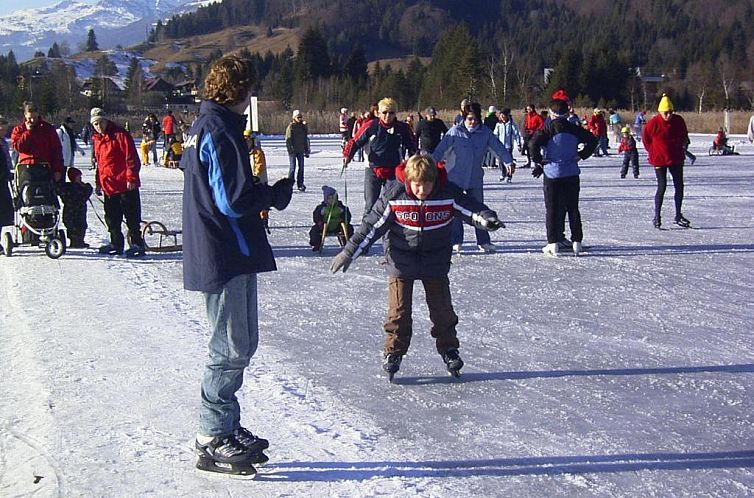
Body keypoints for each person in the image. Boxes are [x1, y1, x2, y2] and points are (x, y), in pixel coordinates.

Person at [180, 54, 294, 477]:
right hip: (222, 250)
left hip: (230, 249)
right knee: (228, 347)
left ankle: (225, 424)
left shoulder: (209, 126)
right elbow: (231, 200)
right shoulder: (217, 128)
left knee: (241, 344)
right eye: (249, 90)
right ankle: (211, 435)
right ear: (239, 90)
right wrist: (270, 195)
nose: (250, 99)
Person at [329, 155, 503, 380]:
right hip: (401, 260)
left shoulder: (446, 193)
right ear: (408, 180)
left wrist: (486, 219)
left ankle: (449, 349)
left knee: (442, 310)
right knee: (399, 311)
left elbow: (471, 209)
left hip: (435, 259)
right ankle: (393, 352)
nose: (422, 190)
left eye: (427, 184)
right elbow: (371, 226)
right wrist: (349, 252)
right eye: (417, 184)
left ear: (435, 181)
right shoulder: (394, 195)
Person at [431, 102, 514, 253]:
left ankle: (483, 241)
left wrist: (508, 161)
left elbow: (498, 147)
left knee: (479, 209)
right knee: (455, 210)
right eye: (469, 119)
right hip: (455, 178)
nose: (473, 122)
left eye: (475, 118)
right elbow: (440, 150)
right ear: (464, 118)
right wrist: (430, 164)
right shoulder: (455, 132)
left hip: (474, 178)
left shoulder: (485, 132)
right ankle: (456, 240)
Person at [529, 98, 598, 257]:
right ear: (567, 113)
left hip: (552, 173)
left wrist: (539, 161)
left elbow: (533, 144)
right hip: (571, 173)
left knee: (552, 208)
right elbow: (592, 140)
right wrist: (581, 155)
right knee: (572, 208)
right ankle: (577, 242)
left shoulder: (547, 129)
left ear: (551, 114)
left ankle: (553, 242)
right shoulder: (573, 128)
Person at [343, 97, 417, 225]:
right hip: (373, 170)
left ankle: (392, 236)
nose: (388, 116)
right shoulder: (371, 126)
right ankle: (364, 234)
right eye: (384, 112)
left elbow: (412, 146)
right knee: (370, 204)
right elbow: (355, 141)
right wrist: (347, 156)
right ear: (378, 113)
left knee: (393, 203)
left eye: (391, 113)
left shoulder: (402, 128)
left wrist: (415, 161)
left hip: (394, 171)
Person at [90, 107, 146, 257]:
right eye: (95, 124)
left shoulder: (120, 135)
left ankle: (136, 243)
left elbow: (131, 158)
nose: (99, 126)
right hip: (109, 185)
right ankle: (116, 243)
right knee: (112, 218)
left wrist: (131, 178)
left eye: (101, 122)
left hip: (125, 184)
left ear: (106, 120)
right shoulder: (97, 140)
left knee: (131, 216)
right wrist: (98, 183)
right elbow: (100, 164)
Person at [641, 94, 691, 229]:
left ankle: (678, 214)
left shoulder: (679, 121)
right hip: (659, 159)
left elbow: (684, 136)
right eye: (665, 113)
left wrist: (683, 145)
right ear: (660, 112)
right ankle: (657, 216)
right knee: (662, 187)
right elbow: (646, 140)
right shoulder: (653, 124)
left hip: (676, 158)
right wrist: (653, 151)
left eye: (670, 112)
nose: (668, 115)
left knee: (679, 186)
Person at [10, 101, 64, 183]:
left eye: (34, 118)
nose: (32, 120)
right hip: (26, 170)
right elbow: (19, 147)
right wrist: (28, 132)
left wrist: (57, 170)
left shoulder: (47, 129)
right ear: (25, 115)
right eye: (29, 118)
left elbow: (56, 151)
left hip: (45, 170)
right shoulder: (19, 130)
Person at [309, 185, 353, 251]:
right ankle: (316, 244)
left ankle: (348, 242)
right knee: (314, 230)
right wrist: (319, 221)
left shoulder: (340, 207)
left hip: (338, 226)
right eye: (330, 198)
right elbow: (316, 216)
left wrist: (344, 218)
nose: (332, 200)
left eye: (334, 198)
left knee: (349, 228)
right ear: (326, 199)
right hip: (324, 226)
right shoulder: (322, 208)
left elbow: (348, 216)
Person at [58, 167, 93, 248]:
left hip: (80, 211)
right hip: (70, 211)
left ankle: (80, 241)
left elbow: (89, 190)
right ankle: (74, 241)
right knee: (72, 226)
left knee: (81, 226)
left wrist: (84, 185)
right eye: (78, 177)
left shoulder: (82, 187)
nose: (80, 178)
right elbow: (60, 190)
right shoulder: (68, 187)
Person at [245, 129, 270, 233]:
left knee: (262, 202)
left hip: (260, 182)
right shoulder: (245, 153)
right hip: (250, 182)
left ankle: (264, 220)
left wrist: (255, 176)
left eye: (248, 140)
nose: (246, 143)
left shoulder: (257, 152)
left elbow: (259, 166)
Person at [493, 108, 522, 183]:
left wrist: (518, 144)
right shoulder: (498, 124)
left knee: (509, 161)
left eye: (503, 115)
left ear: (507, 116)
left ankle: (509, 175)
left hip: (508, 146)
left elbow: (516, 134)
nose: (502, 117)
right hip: (500, 146)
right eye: (501, 115)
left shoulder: (511, 124)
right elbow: (495, 134)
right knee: (501, 161)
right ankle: (503, 173)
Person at [285, 109, 310, 192]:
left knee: (301, 167)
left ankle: (300, 184)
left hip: (300, 150)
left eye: (300, 117)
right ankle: (289, 185)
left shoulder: (303, 127)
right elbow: (288, 139)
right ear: (294, 118)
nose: (300, 118)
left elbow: (305, 138)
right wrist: (290, 149)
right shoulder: (291, 127)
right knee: (292, 168)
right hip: (293, 150)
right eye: (298, 117)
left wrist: (306, 150)